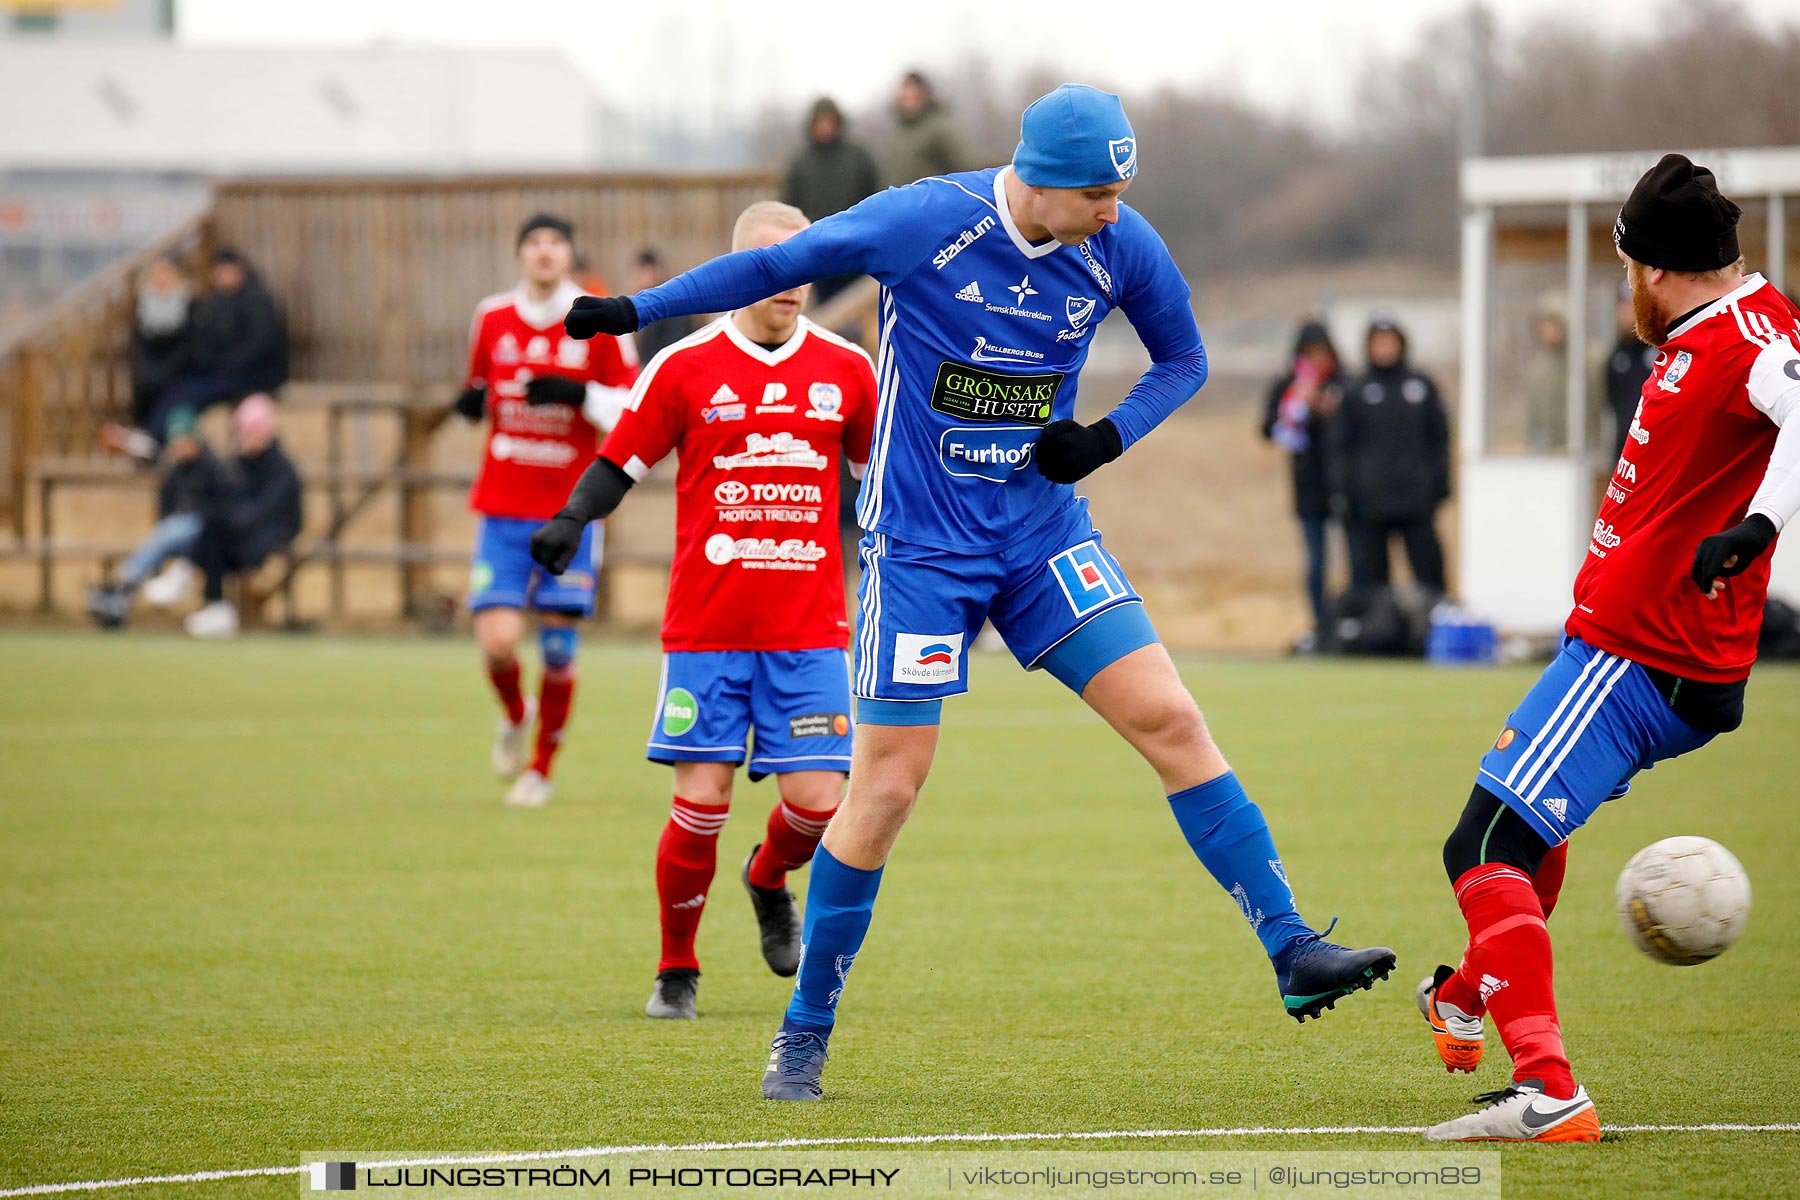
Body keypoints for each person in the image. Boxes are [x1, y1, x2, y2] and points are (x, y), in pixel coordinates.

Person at [541, 83, 1395, 1103]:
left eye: (1122, 191)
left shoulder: (1121, 246)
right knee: (889, 788)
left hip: (1042, 540)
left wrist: (1106, 436)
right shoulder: (925, 219)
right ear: (1041, 182)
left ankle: (1291, 946)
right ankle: (802, 1037)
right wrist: (637, 310)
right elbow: (777, 263)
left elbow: (1185, 360)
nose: (1116, 211)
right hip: (920, 554)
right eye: (1099, 193)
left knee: (1171, 718)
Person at [1418, 154, 1800, 1142]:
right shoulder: (1718, 329)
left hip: (1644, 650)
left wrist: (1760, 526)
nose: (1626, 288)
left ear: (1657, 268)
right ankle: (1463, 998)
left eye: (1628, 267)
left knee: (1485, 846)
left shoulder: (1749, 341)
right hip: (1646, 648)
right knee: (1531, 836)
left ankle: (1549, 1091)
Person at [541, 201, 877, 1020]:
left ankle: (766, 876)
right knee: (699, 805)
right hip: (708, 629)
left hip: (810, 632)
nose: (789, 282)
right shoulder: (684, 368)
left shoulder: (848, 369)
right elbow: (620, 461)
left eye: (802, 264)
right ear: (738, 274)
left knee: (820, 808)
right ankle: (676, 970)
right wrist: (572, 520)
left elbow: (881, 489)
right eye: (770, 264)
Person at [458, 213, 639, 808]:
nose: (543, 252)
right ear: (519, 254)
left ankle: (540, 769)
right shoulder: (491, 317)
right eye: (532, 242)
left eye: (554, 243)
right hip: (503, 506)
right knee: (498, 641)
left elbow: (632, 412)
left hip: (570, 512)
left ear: (569, 254)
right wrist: (471, 402)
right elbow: (483, 387)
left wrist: (578, 392)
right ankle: (515, 713)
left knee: (559, 647)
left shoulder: (597, 318)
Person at [1335, 317, 1450, 594]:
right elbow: (1340, 445)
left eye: (1390, 342)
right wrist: (1343, 490)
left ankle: (1430, 626)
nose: (1385, 349)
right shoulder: (1356, 390)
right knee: (1371, 579)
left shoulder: (1421, 386)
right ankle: (1377, 631)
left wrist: (1441, 484)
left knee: (1429, 570)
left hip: (1416, 498)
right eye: (1379, 343)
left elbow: (1439, 439)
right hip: (1370, 501)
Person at [85, 407, 223, 628]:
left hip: (206, 534)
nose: (180, 446)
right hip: (175, 537)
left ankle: (126, 582)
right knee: (167, 530)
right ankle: (123, 591)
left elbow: (219, 508)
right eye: (176, 441)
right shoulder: (175, 469)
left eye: (183, 439)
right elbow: (165, 507)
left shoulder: (212, 466)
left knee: (173, 528)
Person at [183, 395, 303, 639]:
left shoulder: (282, 468)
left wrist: (236, 520)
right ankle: (214, 604)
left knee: (217, 536)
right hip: (241, 532)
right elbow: (226, 499)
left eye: (251, 432)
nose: (246, 439)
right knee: (213, 529)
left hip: (271, 534)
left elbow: (270, 509)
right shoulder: (238, 464)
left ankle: (209, 597)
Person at [145, 248, 288, 443]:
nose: (223, 276)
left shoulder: (258, 301)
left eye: (227, 271)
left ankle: (157, 438)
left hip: (256, 374)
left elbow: (261, 344)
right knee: (178, 388)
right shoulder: (215, 302)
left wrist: (225, 364)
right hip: (224, 372)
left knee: (193, 392)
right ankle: (154, 436)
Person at [1260, 320, 1344, 650]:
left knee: (1354, 558)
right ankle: (1320, 624)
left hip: (1347, 484)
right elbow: (1267, 429)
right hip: (1308, 485)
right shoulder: (1287, 385)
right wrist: (1297, 410)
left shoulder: (1342, 383)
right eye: (1309, 354)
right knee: (1316, 560)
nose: (1316, 360)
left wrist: (1328, 412)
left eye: (1321, 353)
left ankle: (1350, 623)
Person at [783, 97, 881, 306]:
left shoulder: (858, 157)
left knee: (856, 305)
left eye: (829, 121)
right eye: (820, 122)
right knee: (823, 307)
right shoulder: (801, 162)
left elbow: (875, 197)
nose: (825, 127)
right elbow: (789, 205)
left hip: (853, 246)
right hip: (815, 249)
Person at [129, 255, 195, 433]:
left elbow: (189, 345)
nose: (163, 278)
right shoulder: (143, 306)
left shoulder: (188, 305)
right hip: (150, 369)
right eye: (159, 273)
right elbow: (140, 346)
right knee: (144, 387)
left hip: (178, 368)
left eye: (168, 273)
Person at [883, 71, 968, 188]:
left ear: (923, 94)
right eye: (905, 92)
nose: (908, 97)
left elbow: (964, 166)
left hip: (932, 203)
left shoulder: (940, 128)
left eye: (913, 93)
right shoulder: (900, 133)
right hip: (902, 203)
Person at [1602, 281, 1658, 461]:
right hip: (1625, 452)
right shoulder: (1615, 358)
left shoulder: (1663, 352)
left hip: (1657, 450)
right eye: (1625, 306)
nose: (1630, 312)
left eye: (1635, 304)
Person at [628, 250, 696, 365]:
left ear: (654, 271)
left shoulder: (671, 305)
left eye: (642, 273)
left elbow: (675, 343)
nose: (638, 279)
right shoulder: (644, 305)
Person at [1524, 294, 1569, 452]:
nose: (1546, 330)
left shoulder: (1587, 363)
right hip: (1548, 456)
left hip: (1577, 453)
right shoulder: (1539, 369)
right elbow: (1534, 416)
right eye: (1543, 324)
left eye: (1551, 323)